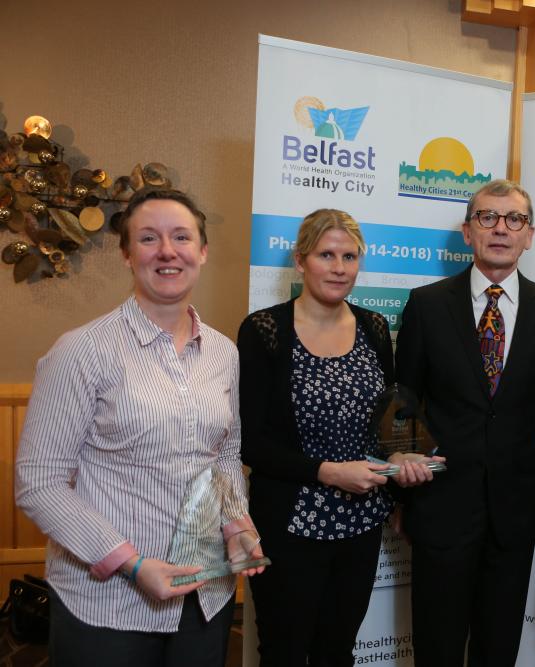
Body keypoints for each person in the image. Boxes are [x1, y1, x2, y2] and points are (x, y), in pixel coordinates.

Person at [15, 188, 264, 667]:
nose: (167, 251)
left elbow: (225, 455)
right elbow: (39, 483)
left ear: (202, 251)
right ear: (127, 255)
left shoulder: (223, 353)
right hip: (109, 604)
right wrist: (130, 564)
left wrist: (237, 524)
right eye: (149, 238)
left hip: (205, 594)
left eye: (181, 237)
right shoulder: (82, 351)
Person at [238, 208, 435, 666]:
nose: (340, 268)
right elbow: (251, 443)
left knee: (337, 651)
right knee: (283, 653)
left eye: (350, 256)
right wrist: (328, 472)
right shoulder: (265, 330)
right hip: (289, 523)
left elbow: (387, 423)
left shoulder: (373, 327)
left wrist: (402, 461)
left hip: (359, 522)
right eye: (326, 255)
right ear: (300, 260)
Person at [395, 179, 535, 666]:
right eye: (487, 217)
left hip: (513, 510)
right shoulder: (428, 304)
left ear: (529, 236)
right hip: (440, 505)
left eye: (514, 219)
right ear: (467, 231)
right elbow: (404, 401)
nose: (500, 229)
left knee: (498, 648)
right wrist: (406, 492)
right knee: (438, 647)